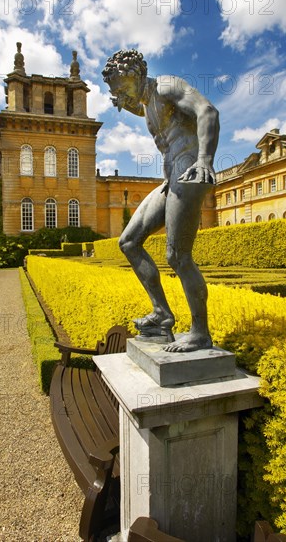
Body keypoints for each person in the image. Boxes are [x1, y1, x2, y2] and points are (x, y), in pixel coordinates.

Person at [102, 49, 220, 352]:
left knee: (178, 256)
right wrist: (126, 104)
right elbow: (143, 110)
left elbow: (208, 111)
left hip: (190, 168)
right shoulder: (146, 103)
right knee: (128, 241)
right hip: (171, 178)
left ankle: (200, 333)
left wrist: (205, 160)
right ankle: (162, 313)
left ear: (136, 74)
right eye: (115, 90)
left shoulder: (167, 86)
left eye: (121, 86)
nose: (119, 93)